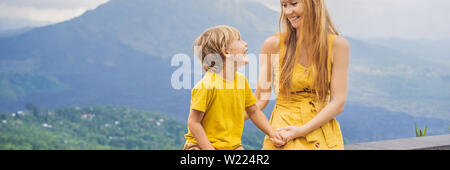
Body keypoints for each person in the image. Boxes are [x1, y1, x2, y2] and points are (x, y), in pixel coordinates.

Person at [255, 0, 350, 150]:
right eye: (284, 6)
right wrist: (229, 113)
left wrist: (301, 131)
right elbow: (260, 98)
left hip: (321, 131)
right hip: (283, 132)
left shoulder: (338, 46)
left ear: (313, 4)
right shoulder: (273, 44)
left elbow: (338, 103)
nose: (287, 12)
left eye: (293, 4)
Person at [183, 25, 285, 150]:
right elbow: (193, 122)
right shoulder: (207, 86)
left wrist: (272, 134)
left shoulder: (241, 81)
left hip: (232, 146)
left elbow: (253, 111)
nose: (245, 43)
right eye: (239, 40)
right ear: (226, 52)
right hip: (200, 146)